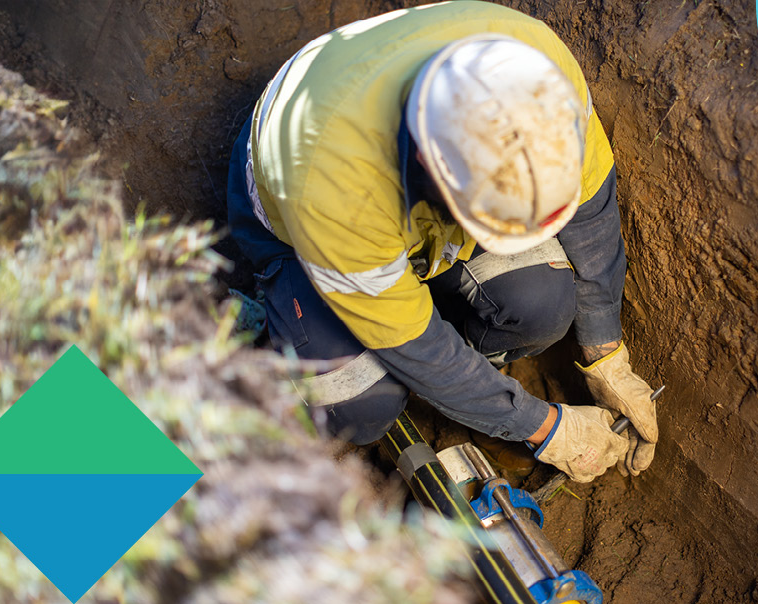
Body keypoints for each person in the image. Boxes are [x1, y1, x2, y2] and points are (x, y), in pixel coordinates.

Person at [225, 1, 657, 482]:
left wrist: (606, 353)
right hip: (298, 221)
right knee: (361, 403)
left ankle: (468, 386)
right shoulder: (335, 189)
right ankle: (284, 323)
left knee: (544, 303)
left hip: (403, 193)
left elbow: (592, 212)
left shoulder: (541, 77)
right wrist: (544, 427)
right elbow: (414, 346)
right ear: (438, 179)